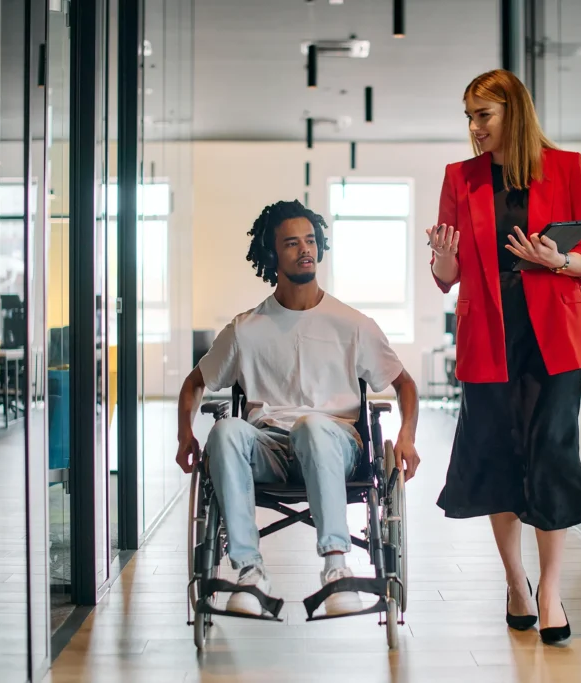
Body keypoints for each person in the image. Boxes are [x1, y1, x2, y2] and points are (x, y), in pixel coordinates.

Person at [428, 69, 581, 645]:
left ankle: (552, 590)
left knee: (551, 458)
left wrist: (557, 259)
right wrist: (442, 258)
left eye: (484, 115)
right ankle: (515, 582)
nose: (475, 128)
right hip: (489, 339)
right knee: (498, 458)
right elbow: (448, 277)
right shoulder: (461, 177)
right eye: (470, 117)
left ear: (514, 112)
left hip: (553, 338)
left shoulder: (567, 167)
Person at [175, 200, 420, 618]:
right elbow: (195, 384)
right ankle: (249, 571)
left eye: (310, 240)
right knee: (227, 431)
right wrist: (185, 435)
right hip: (268, 446)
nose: (305, 249)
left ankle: (337, 568)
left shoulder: (351, 324)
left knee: (312, 425)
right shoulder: (245, 329)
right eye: (291, 243)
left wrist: (406, 437)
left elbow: (404, 384)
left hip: (335, 443)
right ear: (272, 255)